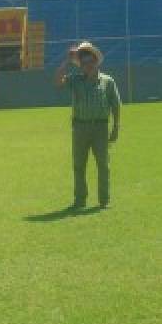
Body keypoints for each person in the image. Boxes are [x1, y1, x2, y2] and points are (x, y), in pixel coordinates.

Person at [55, 41, 121, 209]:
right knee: (78, 165)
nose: (87, 66)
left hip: (100, 128)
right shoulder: (75, 80)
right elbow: (58, 81)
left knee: (103, 166)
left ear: (96, 62)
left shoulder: (108, 81)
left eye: (90, 62)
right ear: (80, 65)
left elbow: (116, 105)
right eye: (83, 63)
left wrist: (116, 127)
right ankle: (80, 200)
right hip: (80, 128)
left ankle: (104, 200)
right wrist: (67, 61)